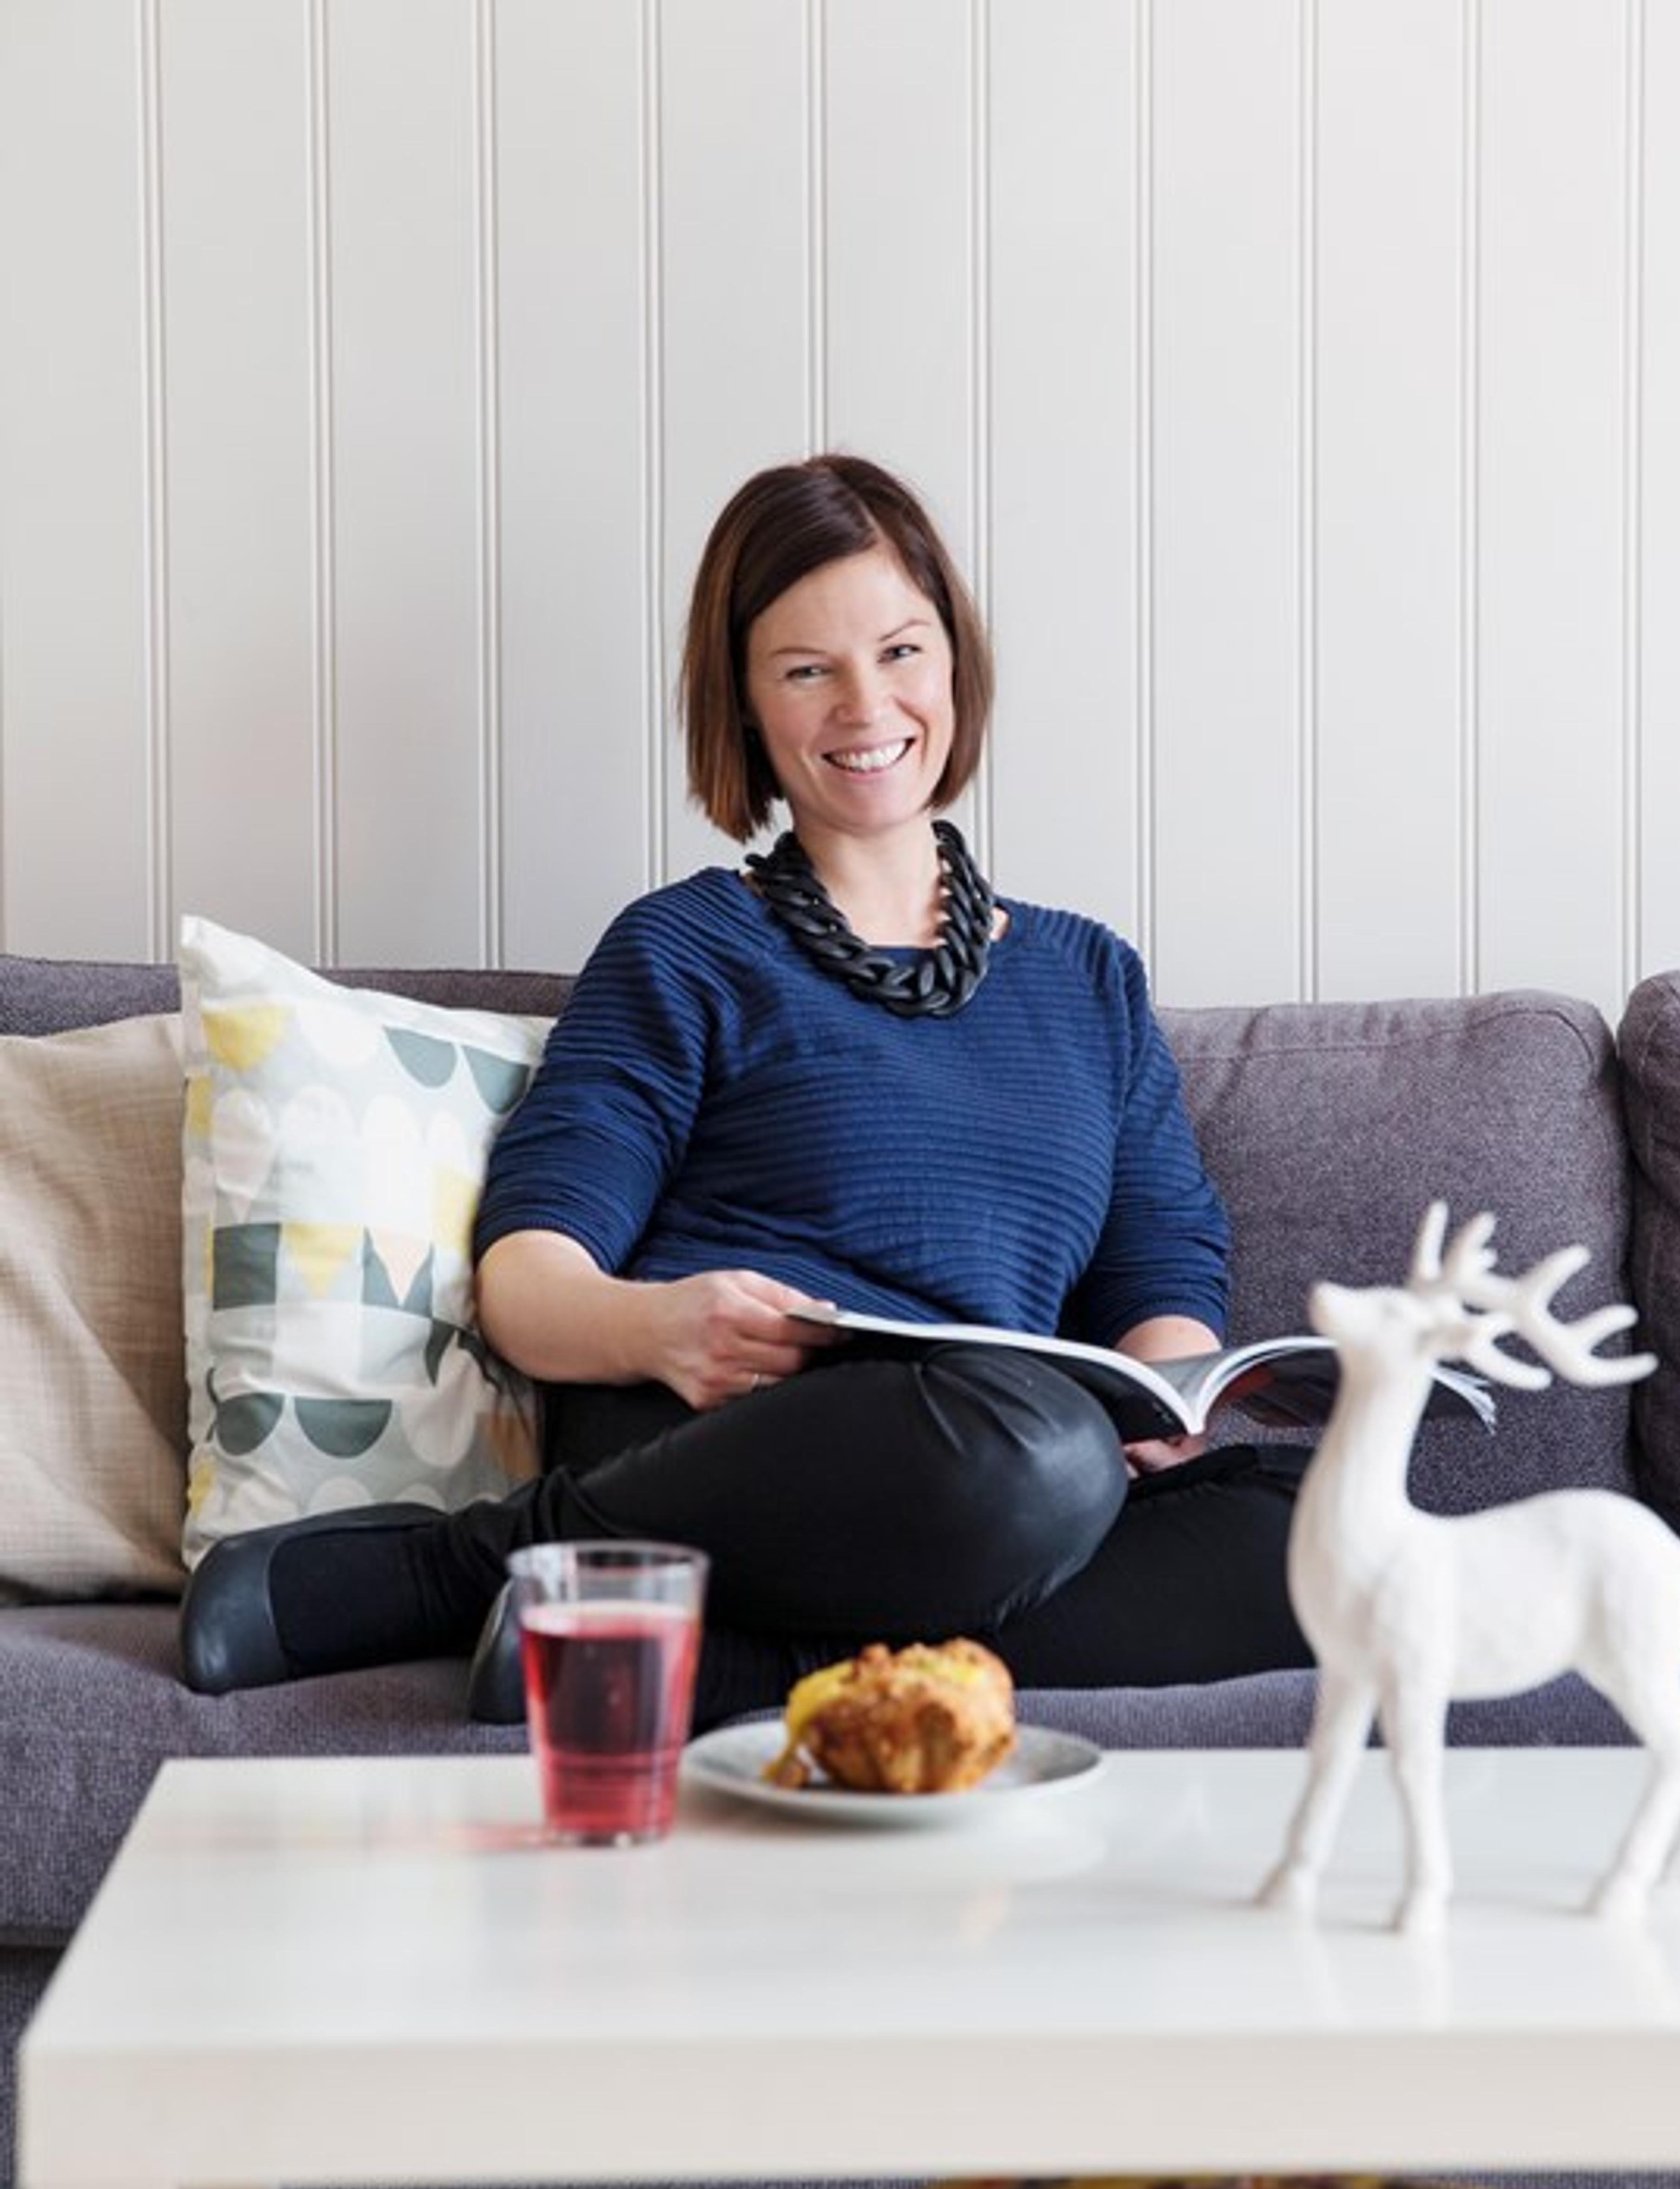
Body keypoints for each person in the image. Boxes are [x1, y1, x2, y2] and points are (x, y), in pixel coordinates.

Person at [180, 453, 1311, 1726]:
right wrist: (663, 1327)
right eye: (807, 670)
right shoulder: (687, 947)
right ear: (749, 708)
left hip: (991, 1479)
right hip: (731, 1443)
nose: (867, 705)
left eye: (901, 651)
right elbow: (529, 1277)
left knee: (1325, 1534)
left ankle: (713, 1665)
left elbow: (1162, 1271)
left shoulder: (1090, 977)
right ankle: (471, 1563)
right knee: (1033, 1461)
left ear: (955, 663)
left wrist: (1164, 1398)